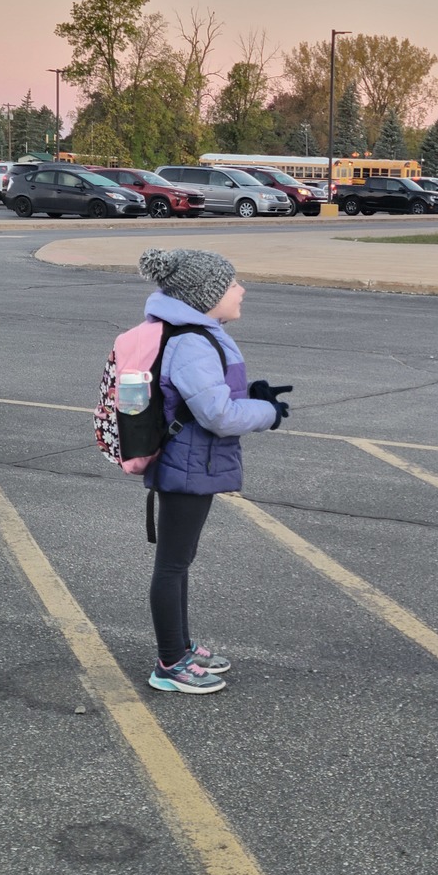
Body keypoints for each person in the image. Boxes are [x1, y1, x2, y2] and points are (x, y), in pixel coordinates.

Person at [138, 247, 291, 695]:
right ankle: (169, 662)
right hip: (186, 465)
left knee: (180, 560)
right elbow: (218, 415)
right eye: (232, 284)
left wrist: (254, 394)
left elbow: (213, 395)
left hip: (192, 462)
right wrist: (268, 412)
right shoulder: (190, 341)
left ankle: (181, 647)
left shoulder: (201, 332)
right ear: (205, 295)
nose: (241, 290)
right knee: (171, 564)